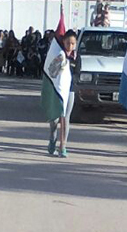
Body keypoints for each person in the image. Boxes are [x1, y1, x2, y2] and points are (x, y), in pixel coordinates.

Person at [47, 29, 78, 157]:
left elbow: (77, 74)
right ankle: (52, 138)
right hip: (57, 89)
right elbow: (51, 71)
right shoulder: (58, 55)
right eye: (67, 43)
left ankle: (63, 145)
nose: (70, 46)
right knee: (55, 119)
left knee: (66, 117)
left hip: (70, 90)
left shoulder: (76, 57)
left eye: (72, 43)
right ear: (63, 42)